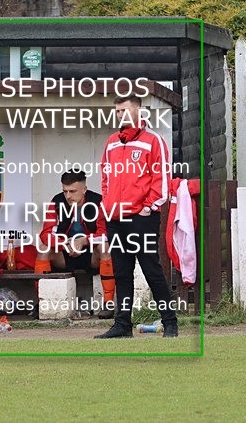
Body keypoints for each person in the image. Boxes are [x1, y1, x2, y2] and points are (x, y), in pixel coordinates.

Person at [95, 94, 178, 339]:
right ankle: (122, 325)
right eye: (118, 111)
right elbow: (106, 178)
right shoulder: (111, 142)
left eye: (125, 110)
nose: (121, 115)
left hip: (142, 217)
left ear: (138, 110)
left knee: (151, 269)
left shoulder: (154, 141)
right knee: (121, 272)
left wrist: (149, 206)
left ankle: (170, 322)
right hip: (116, 218)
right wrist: (108, 206)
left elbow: (161, 179)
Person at [35, 169, 116, 319]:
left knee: (105, 247)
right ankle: (40, 302)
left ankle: (108, 303)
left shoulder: (98, 202)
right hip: (66, 253)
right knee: (43, 249)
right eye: (65, 191)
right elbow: (46, 234)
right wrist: (65, 244)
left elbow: (106, 233)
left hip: (91, 254)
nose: (68, 196)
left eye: (72, 191)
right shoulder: (57, 202)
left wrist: (84, 240)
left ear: (84, 189)